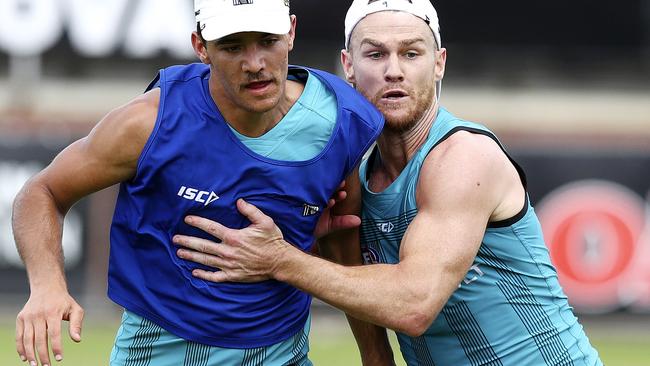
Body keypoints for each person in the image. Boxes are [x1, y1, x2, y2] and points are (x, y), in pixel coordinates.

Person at [171, 0, 604, 365]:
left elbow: (414, 303)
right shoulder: (355, 173)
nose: (393, 70)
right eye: (375, 55)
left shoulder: (464, 156)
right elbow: (349, 275)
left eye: (411, 54)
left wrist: (280, 259)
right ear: (348, 68)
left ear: (439, 64)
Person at [12, 0, 388, 365]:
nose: (254, 63)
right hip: (157, 353)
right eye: (232, 46)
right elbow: (41, 192)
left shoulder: (343, 122)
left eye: (267, 41)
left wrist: (376, 358)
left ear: (290, 32)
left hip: (283, 354)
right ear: (200, 47)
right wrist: (46, 286)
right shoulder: (148, 123)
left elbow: (343, 245)